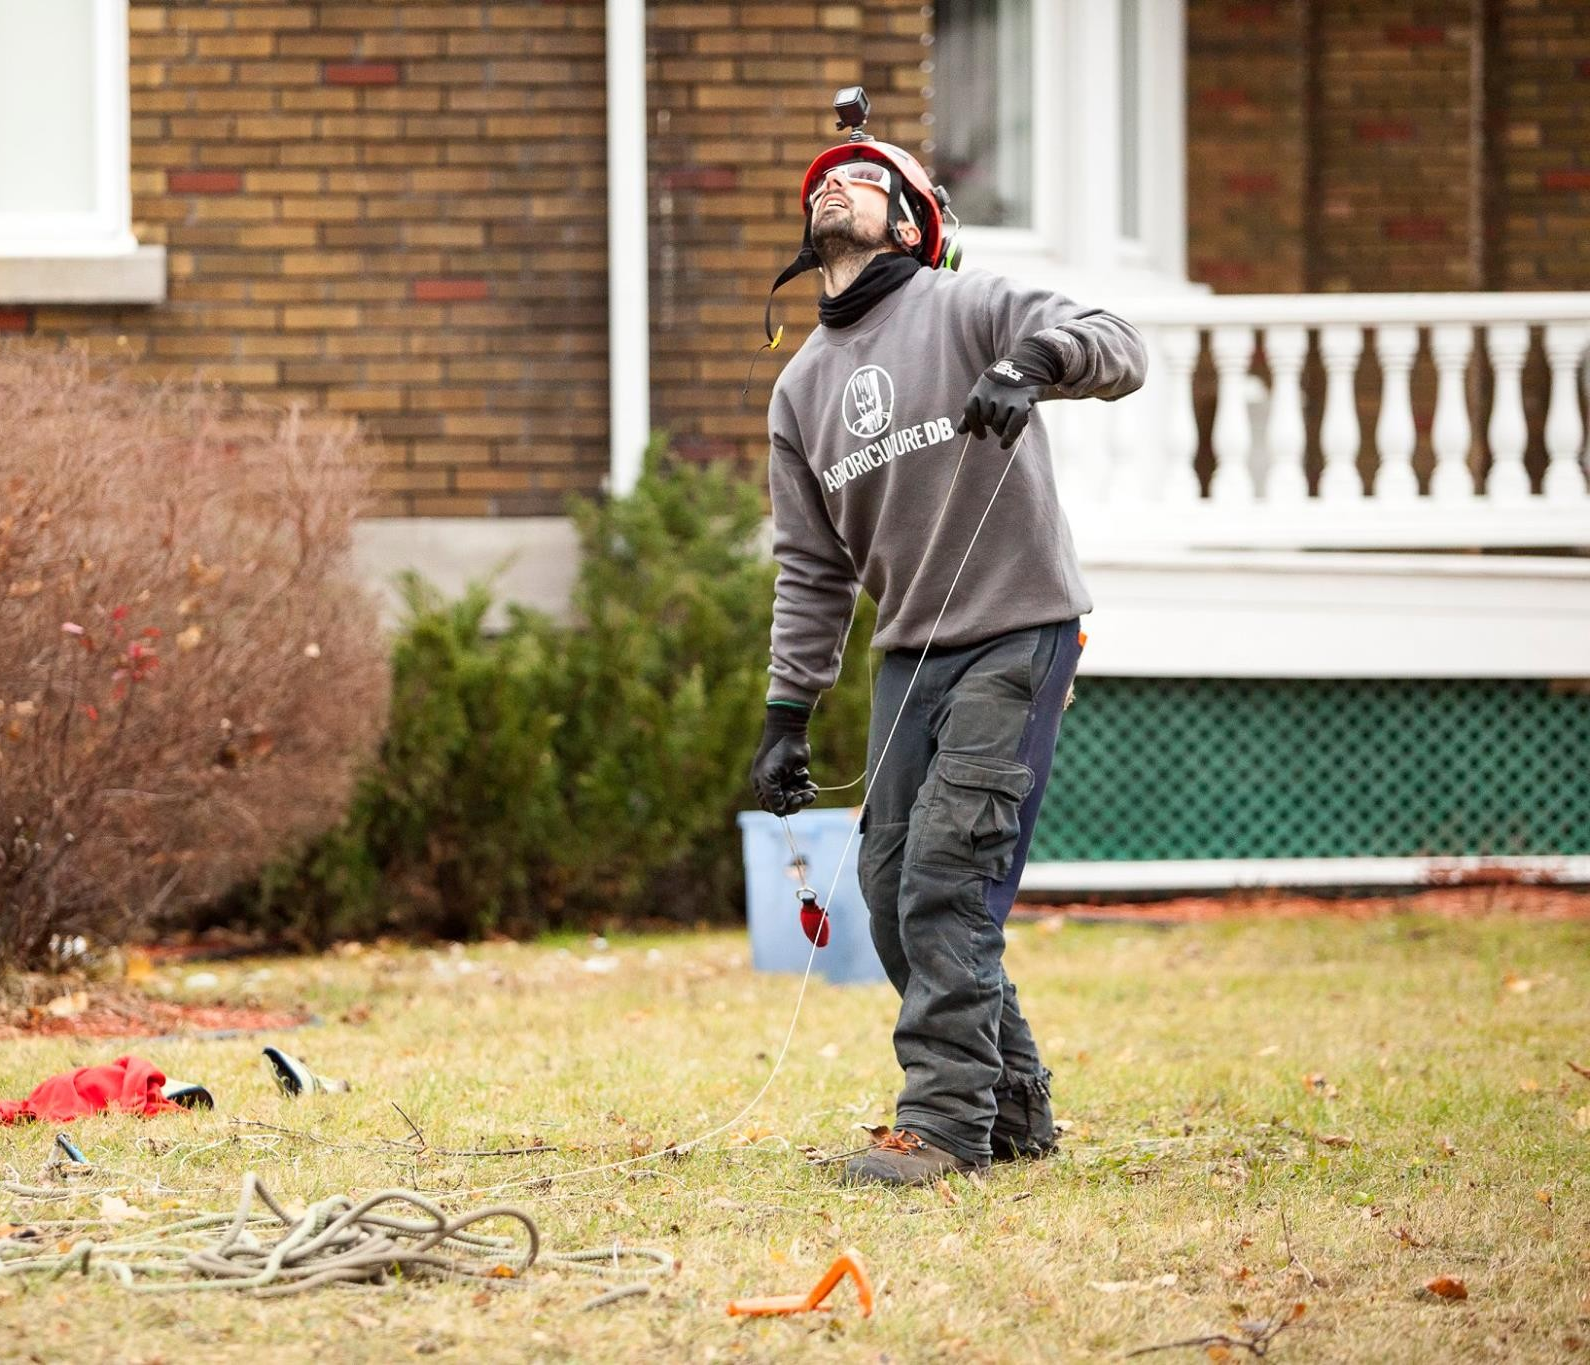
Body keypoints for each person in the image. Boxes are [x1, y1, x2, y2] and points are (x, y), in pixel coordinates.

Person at [749, 93, 1147, 1187]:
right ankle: (1013, 1110)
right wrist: (788, 716)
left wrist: (1034, 363)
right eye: (824, 180)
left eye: (867, 179)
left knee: (948, 879)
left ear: (915, 222)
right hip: (908, 655)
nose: (837, 184)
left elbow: (1119, 343)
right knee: (889, 892)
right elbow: (813, 569)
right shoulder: (800, 391)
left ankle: (941, 1127)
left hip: (1018, 631)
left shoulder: (969, 303)